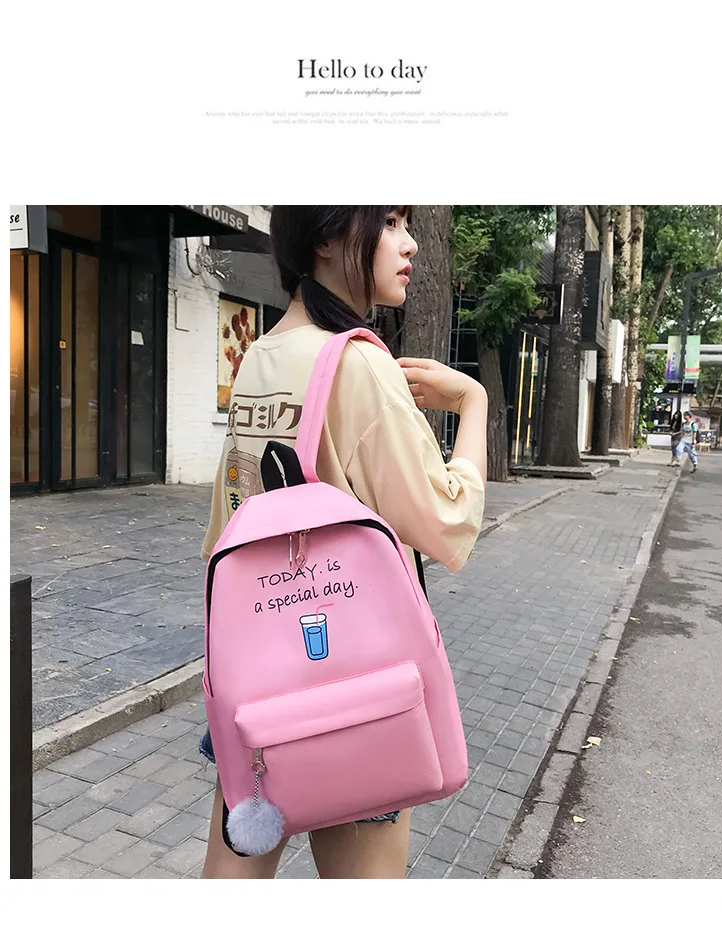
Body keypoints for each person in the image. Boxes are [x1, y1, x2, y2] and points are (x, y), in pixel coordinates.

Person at [197, 206, 488, 879]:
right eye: (388, 221)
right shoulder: (358, 363)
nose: (410, 244)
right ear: (327, 236)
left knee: (231, 878)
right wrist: (472, 403)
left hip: (258, 679)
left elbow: (227, 528)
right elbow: (445, 521)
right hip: (355, 688)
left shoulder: (259, 356)